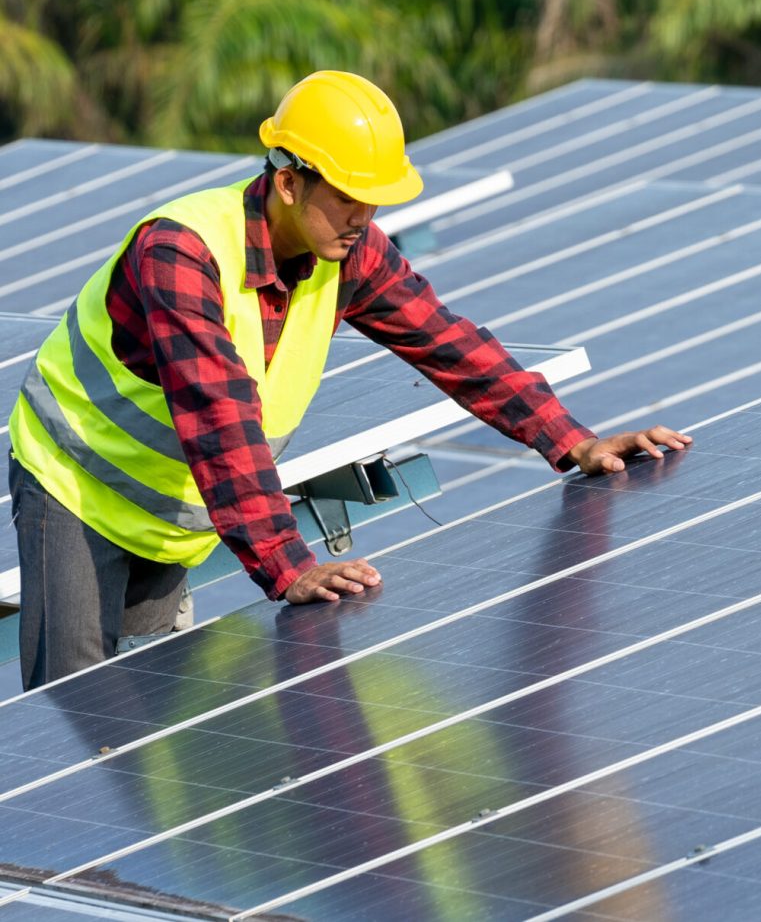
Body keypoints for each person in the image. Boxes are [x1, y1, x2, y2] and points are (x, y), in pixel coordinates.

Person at [8, 71, 691, 689]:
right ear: (287, 181)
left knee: (147, 737)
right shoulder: (182, 254)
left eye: (374, 201)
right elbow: (219, 417)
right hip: (76, 484)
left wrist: (572, 440)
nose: (364, 218)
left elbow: (445, 339)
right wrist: (288, 565)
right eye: (348, 198)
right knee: (78, 712)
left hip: (174, 509)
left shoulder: (348, 252)